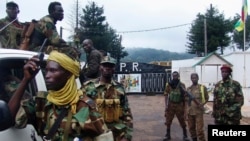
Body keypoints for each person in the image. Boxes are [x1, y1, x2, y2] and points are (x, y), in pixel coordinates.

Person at [8, 48, 110, 141]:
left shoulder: (84, 106)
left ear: (68, 74)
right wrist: (26, 80)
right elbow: (9, 118)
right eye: (46, 71)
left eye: (53, 71)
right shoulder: (41, 102)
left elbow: (104, 138)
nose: (47, 76)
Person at [81, 56, 133, 141]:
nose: (107, 68)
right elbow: (81, 112)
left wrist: (127, 136)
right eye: (104, 65)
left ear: (114, 69)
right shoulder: (88, 87)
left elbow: (126, 113)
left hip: (116, 134)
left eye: (110, 66)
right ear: (100, 67)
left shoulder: (120, 88)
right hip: (95, 133)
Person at [164, 71, 189, 141]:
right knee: (168, 120)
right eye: (173, 76)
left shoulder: (182, 85)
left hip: (179, 105)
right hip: (171, 105)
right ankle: (167, 135)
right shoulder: (169, 84)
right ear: (172, 76)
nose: (174, 77)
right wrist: (166, 106)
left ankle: (185, 135)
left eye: (176, 76)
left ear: (178, 76)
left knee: (182, 120)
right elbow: (166, 95)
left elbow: (185, 97)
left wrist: (185, 108)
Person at [186, 73, 209, 141]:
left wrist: (202, 104)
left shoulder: (202, 87)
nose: (194, 79)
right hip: (190, 112)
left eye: (195, 78)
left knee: (200, 130)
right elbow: (186, 100)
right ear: (191, 79)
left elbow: (207, 98)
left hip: (198, 112)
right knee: (191, 128)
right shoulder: (188, 89)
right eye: (192, 78)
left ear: (198, 78)